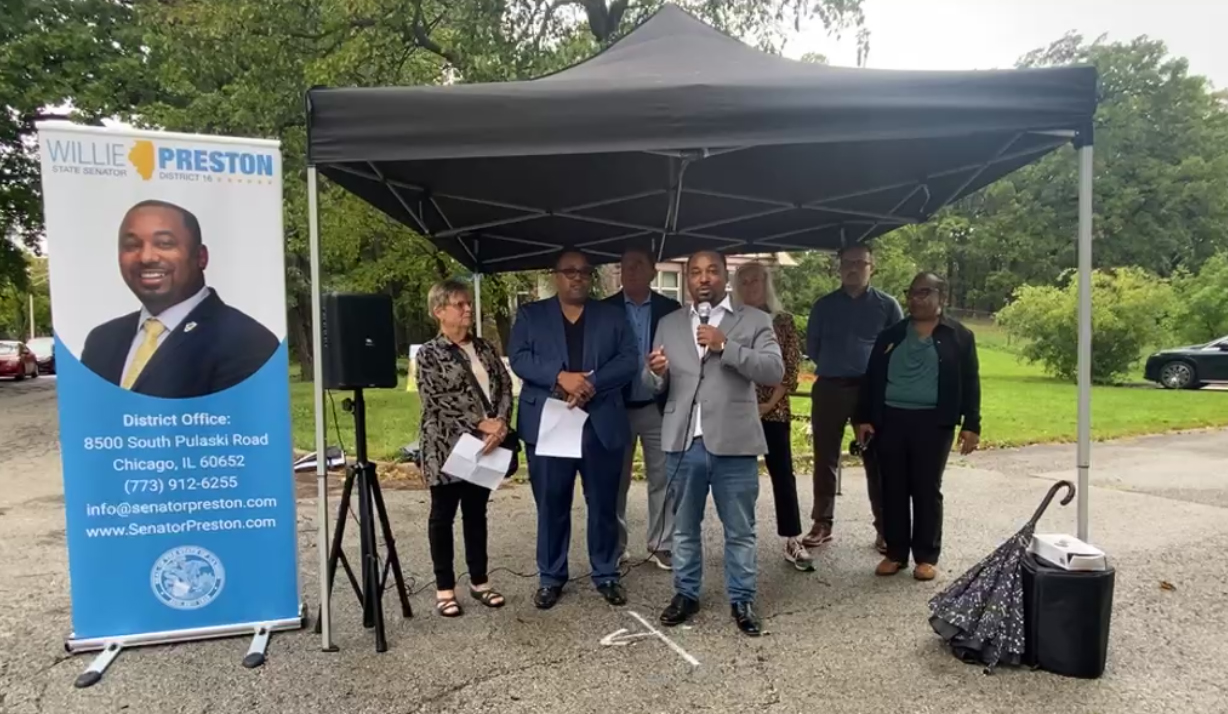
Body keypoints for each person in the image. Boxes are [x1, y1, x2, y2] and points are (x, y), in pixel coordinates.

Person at [646, 250, 784, 636]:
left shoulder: (754, 320)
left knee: (740, 529)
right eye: (695, 272)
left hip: (735, 442)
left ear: (726, 276)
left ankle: (742, 598)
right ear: (687, 280)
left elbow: (775, 369)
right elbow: (653, 386)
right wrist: (655, 373)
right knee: (685, 528)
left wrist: (728, 347)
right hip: (683, 440)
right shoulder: (669, 323)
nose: (703, 279)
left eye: (712, 272)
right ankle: (685, 594)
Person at [508, 250, 639, 609]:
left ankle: (606, 573)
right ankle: (551, 576)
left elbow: (629, 359)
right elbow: (518, 356)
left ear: (590, 276)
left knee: (603, 503)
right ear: (556, 276)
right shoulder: (531, 315)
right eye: (569, 271)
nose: (576, 277)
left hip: (600, 421)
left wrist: (591, 383)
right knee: (551, 503)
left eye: (583, 271)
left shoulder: (612, 316)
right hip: (550, 421)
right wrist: (559, 376)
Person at [80, 199, 278, 399]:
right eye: (132, 245)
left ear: (201, 257)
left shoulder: (248, 341)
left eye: (164, 243)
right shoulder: (101, 341)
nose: (146, 257)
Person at [855, 272, 981, 581]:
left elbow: (970, 382)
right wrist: (862, 418)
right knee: (893, 487)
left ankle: (926, 556)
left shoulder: (959, 336)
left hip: (934, 423)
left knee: (926, 488)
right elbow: (871, 379)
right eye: (912, 292)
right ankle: (896, 553)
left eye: (924, 293)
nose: (916, 298)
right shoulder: (892, 335)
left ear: (943, 298)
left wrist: (971, 424)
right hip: (891, 419)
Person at [415, 280, 513, 617]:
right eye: (459, 304)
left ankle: (480, 581)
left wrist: (499, 423)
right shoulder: (429, 354)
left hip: (487, 445)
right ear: (439, 311)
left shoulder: (484, 348)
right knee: (442, 516)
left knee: (476, 512)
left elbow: (503, 386)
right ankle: (445, 588)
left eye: (468, 303)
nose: (468, 309)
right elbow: (437, 399)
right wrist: (479, 423)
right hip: (446, 446)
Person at [804, 244, 903, 553]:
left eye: (860, 262)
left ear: (872, 266)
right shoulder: (824, 306)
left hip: (870, 391)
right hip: (830, 388)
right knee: (825, 459)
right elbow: (814, 347)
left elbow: (898, 348)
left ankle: (885, 528)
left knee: (877, 460)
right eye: (847, 262)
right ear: (839, 267)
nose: (853, 268)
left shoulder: (887, 306)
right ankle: (822, 522)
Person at [603, 245, 681, 570]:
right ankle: (616, 546)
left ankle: (661, 544)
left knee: (662, 477)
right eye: (625, 266)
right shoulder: (603, 309)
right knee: (614, 480)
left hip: (656, 406)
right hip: (616, 407)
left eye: (637, 265)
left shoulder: (671, 308)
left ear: (653, 270)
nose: (630, 271)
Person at [731, 261, 813, 572]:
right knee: (738, 477)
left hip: (774, 409)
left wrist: (769, 403)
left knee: (783, 474)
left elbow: (790, 368)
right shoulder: (731, 321)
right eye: (745, 281)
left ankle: (792, 538)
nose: (751, 286)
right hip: (737, 410)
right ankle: (739, 538)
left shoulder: (783, 322)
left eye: (756, 281)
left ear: (767, 284)